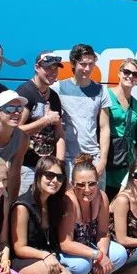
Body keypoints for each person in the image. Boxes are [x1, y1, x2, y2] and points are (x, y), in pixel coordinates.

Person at [10, 156, 77, 274]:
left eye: (60, 177)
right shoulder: (22, 206)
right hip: (21, 261)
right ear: (38, 175)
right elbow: (19, 248)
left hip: (43, 260)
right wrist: (46, 256)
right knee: (47, 270)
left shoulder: (53, 203)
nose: (54, 180)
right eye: (49, 175)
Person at [58, 154, 129, 274]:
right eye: (81, 184)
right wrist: (98, 255)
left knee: (120, 254)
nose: (87, 189)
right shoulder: (68, 202)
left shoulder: (102, 197)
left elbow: (103, 232)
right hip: (68, 251)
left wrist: (101, 257)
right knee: (82, 265)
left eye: (92, 183)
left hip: (89, 246)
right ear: (72, 184)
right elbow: (65, 244)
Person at [56, 43, 112, 176]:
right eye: (83, 64)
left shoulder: (101, 90)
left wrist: (102, 160)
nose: (87, 68)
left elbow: (104, 127)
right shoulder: (58, 88)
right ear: (73, 63)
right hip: (68, 158)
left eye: (91, 64)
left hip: (93, 158)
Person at [16, 51, 65, 195]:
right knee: (26, 207)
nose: (53, 72)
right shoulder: (25, 92)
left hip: (49, 170)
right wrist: (45, 121)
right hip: (27, 166)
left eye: (55, 68)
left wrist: (59, 164)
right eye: (48, 68)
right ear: (37, 67)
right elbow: (16, 131)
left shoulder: (54, 97)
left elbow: (59, 133)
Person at [105, 58, 137, 198]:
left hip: (127, 162)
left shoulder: (136, 104)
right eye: (127, 72)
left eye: (135, 74)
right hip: (109, 160)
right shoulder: (107, 96)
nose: (130, 76)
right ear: (119, 73)